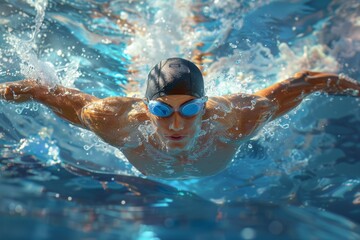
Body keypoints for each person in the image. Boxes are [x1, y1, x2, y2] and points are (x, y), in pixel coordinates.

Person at [1, 58, 359, 179]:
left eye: (189, 109)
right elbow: (43, 92)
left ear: (204, 107)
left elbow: (307, 82)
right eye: (161, 110)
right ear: (145, 111)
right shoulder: (114, 121)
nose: (176, 124)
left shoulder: (237, 120)